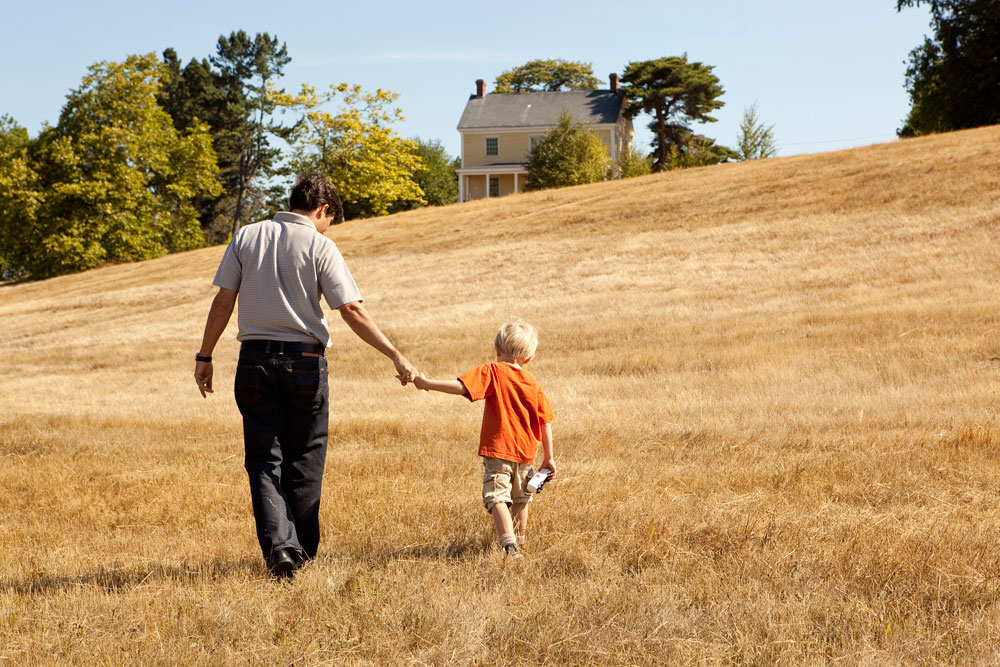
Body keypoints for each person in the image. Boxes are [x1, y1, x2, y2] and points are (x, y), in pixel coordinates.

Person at [194, 172, 417, 579]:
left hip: (254, 360)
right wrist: (394, 354)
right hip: (304, 362)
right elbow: (350, 309)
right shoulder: (320, 245)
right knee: (306, 460)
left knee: (264, 461)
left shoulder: (247, 237)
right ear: (323, 209)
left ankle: (281, 549)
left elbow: (224, 299)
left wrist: (205, 355)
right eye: (331, 218)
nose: (329, 225)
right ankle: (302, 555)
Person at [412, 319, 555, 559]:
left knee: (497, 497)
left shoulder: (492, 370)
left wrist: (426, 383)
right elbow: (545, 421)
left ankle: (510, 547)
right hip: (527, 452)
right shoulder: (533, 384)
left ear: (497, 349)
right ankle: (521, 539)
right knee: (522, 497)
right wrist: (549, 457)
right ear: (528, 358)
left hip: (499, 449)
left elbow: (462, 387)